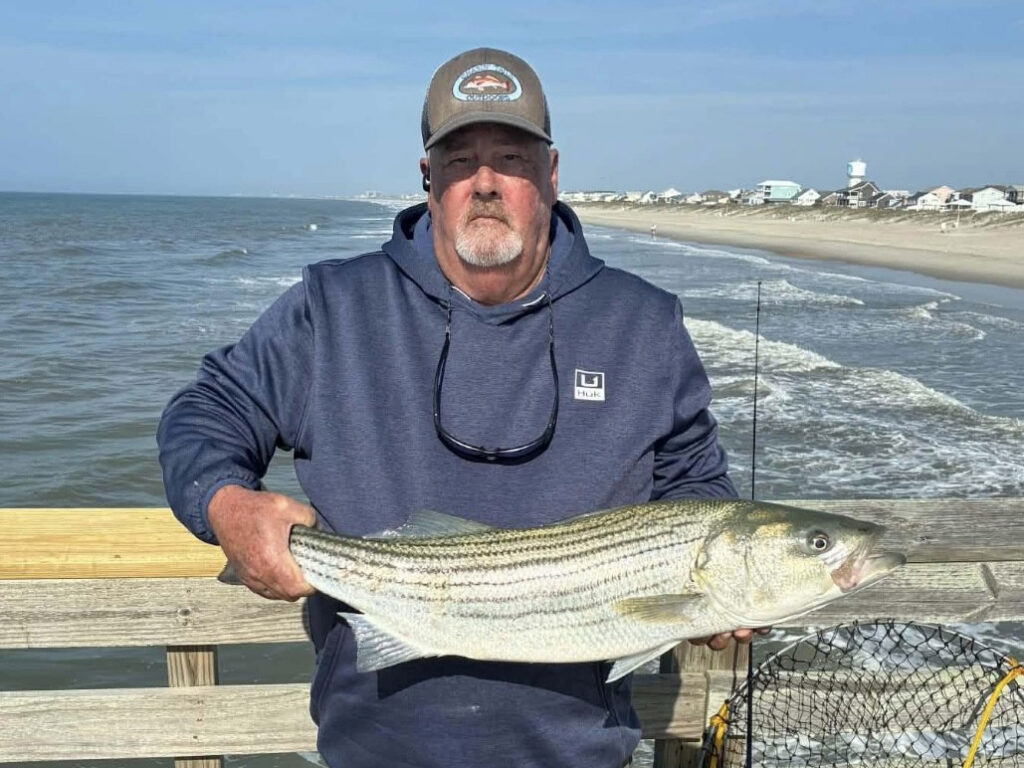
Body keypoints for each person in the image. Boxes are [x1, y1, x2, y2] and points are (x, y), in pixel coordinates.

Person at [158, 47, 747, 768]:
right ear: (429, 179)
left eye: (512, 157)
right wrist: (226, 507)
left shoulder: (644, 324)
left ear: (551, 176)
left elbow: (697, 486)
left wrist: (715, 593)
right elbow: (206, 411)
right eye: (461, 160)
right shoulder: (332, 308)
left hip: (580, 753)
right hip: (372, 746)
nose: (487, 183)